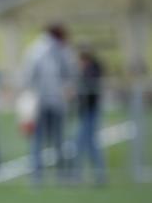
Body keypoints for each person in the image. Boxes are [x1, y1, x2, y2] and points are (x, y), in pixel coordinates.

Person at [20, 23, 77, 185]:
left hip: (49, 102)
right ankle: (55, 176)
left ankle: (42, 177)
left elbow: (28, 76)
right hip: (49, 102)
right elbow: (69, 74)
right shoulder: (51, 50)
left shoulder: (37, 49)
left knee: (46, 140)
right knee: (52, 140)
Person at [72, 45, 107, 185]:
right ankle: (98, 175)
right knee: (89, 144)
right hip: (88, 111)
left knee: (84, 144)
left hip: (90, 112)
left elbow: (88, 89)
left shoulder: (91, 69)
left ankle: (81, 175)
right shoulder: (92, 68)